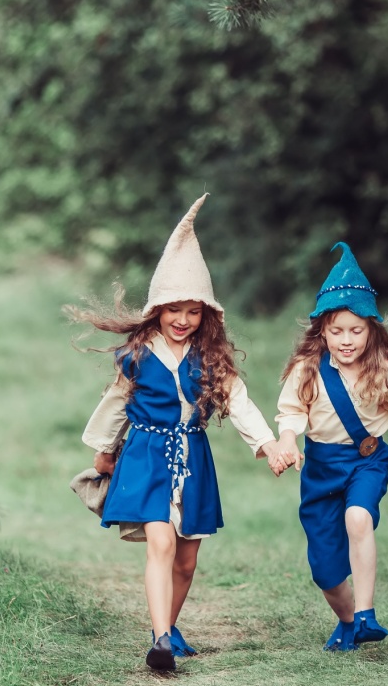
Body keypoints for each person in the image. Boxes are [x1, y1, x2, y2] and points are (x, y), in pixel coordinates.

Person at [69, 194, 282, 673]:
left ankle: (165, 627)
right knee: (161, 544)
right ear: (157, 309)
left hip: (193, 457)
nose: (182, 320)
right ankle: (161, 642)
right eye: (173, 310)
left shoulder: (212, 360)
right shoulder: (139, 354)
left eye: (192, 311)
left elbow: (239, 402)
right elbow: (117, 402)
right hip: (145, 455)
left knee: (186, 561)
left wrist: (266, 444)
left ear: (206, 314)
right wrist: (105, 452)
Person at [270, 242, 388, 651]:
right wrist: (286, 441)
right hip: (319, 468)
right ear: (322, 331)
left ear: (372, 330)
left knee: (358, 518)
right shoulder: (307, 369)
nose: (346, 340)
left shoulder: (383, 370)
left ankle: (367, 614)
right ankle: (349, 620)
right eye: (337, 331)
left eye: (356, 330)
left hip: (366, 462)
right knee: (326, 571)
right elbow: (291, 413)